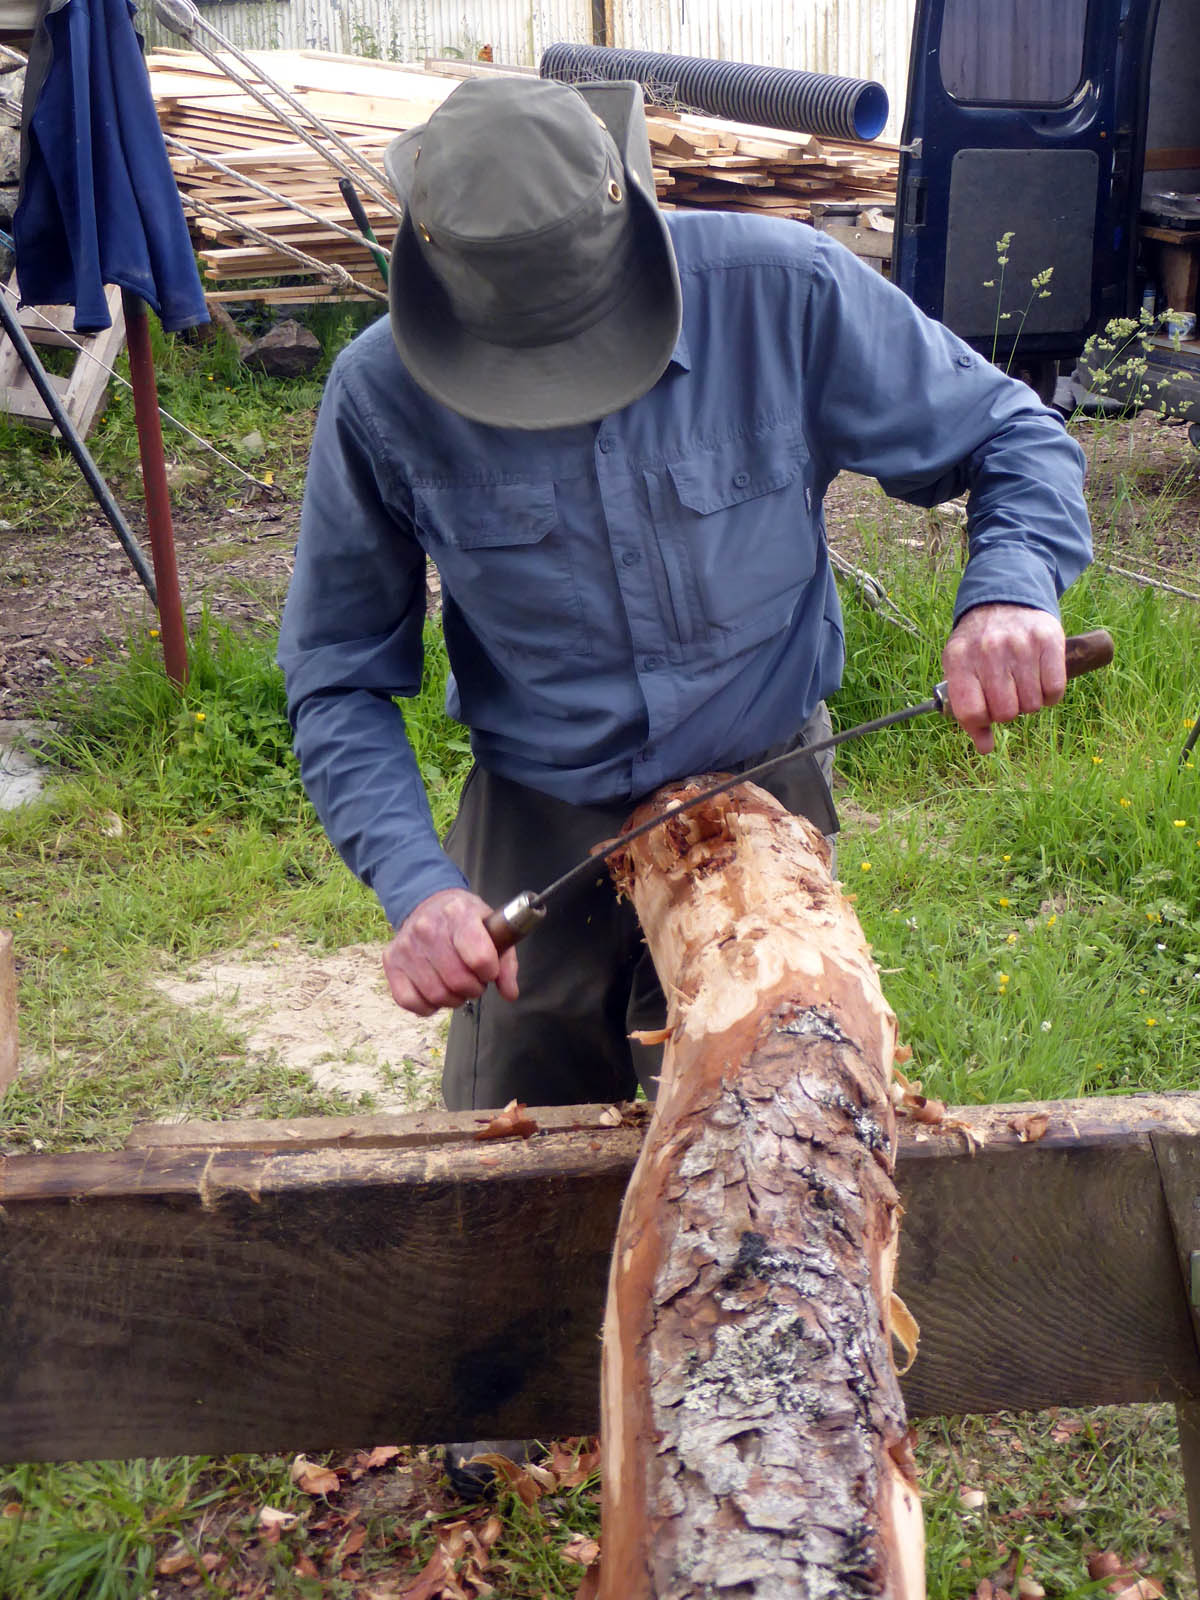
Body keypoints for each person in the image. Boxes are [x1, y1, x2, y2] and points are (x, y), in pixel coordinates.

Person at [278, 74, 1092, 1119]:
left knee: (775, 1127)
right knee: (516, 1137)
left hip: (763, 785)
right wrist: (420, 885)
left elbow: (1011, 435)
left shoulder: (785, 293)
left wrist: (1010, 593)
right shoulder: (379, 393)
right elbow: (338, 674)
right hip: (542, 814)